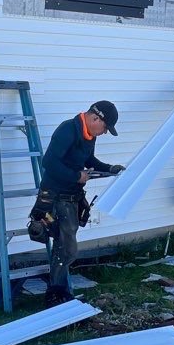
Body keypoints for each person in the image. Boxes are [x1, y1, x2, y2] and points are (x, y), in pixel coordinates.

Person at [32, 100, 124, 306]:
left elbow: (90, 161)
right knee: (68, 249)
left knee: (64, 245)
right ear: (95, 118)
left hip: (72, 196)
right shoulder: (68, 130)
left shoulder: (88, 134)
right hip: (56, 196)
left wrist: (110, 169)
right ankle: (55, 293)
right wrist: (76, 176)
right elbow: (49, 163)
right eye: (105, 128)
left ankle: (59, 291)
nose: (105, 133)